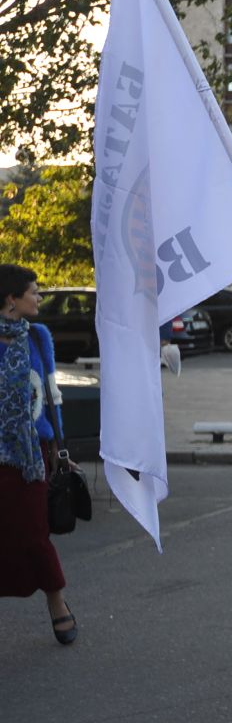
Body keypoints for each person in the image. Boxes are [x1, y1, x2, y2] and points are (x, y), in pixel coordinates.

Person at [0, 265, 76, 647]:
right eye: (34, 290)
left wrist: (61, 448)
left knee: (34, 535)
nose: (40, 297)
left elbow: (50, 396)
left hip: (31, 457)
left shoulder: (38, 338)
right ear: (11, 299)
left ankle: (57, 603)